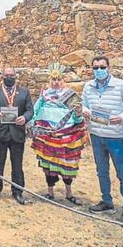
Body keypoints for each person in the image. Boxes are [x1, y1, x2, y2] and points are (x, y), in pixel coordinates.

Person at [81, 55, 123, 224]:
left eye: (102, 67)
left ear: (108, 68)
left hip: (116, 136)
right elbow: (84, 104)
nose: (99, 70)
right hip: (97, 134)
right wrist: (85, 110)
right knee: (102, 171)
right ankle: (107, 201)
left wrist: (121, 117)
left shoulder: (121, 86)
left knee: (122, 173)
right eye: (95, 68)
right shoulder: (88, 86)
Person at [29, 63, 87, 204]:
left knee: (67, 162)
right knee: (48, 163)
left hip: (66, 134)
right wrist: (31, 122)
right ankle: (50, 192)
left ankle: (69, 193)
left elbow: (78, 115)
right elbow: (35, 110)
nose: (55, 82)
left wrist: (79, 115)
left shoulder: (70, 96)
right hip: (47, 135)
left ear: (63, 80)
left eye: (58, 79)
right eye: (53, 79)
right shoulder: (45, 94)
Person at [0, 68, 33, 205]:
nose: (9, 77)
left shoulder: (24, 92)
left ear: (16, 76)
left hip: (17, 134)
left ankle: (17, 191)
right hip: (0, 133)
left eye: (11, 75)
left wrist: (24, 118)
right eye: (6, 75)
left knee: (17, 165)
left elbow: (30, 110)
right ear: (2, 77)